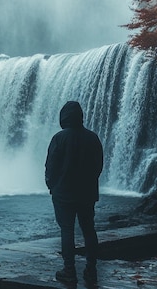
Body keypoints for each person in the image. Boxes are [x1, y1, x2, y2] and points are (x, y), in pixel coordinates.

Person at [45, 101, 103, 285]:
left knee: (67, 230)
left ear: (64, 117)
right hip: (87, 193)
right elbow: (98, 166)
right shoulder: (93, 138)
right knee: (89, 230)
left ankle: (69, 270)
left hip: (63, 193)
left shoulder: (59, 138)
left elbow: (51, 166)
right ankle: (91, 270)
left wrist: (51, 185)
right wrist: (91, 183)